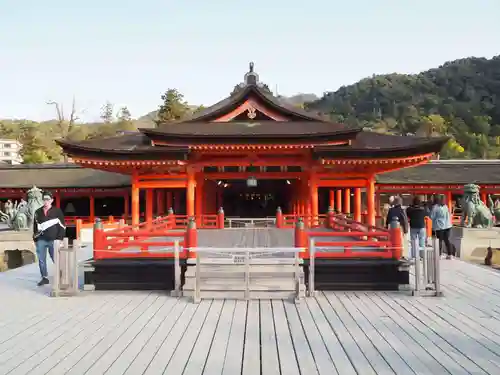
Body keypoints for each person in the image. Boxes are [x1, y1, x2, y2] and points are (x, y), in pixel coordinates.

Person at [33, 191, 66, 286]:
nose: (46, 201)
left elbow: (62, 226)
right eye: (44, 199)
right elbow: (35, 226)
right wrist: (35, 239)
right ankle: (44, 277)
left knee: (55, 258)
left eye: (48, 199)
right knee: (41, 260)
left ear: (52, 200)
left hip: (54, 239)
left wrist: (60, 239)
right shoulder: (38, 212)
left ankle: (61, 275)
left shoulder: (57, 211)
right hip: (41, 239)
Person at [430, 195, 455, 259]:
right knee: (447, 240)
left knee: (439, 241)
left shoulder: (435, 207)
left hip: (439, 226)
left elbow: (431, 217)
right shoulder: (446, 207)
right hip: (448, 226)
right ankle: (450, 255)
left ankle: (439, 255)